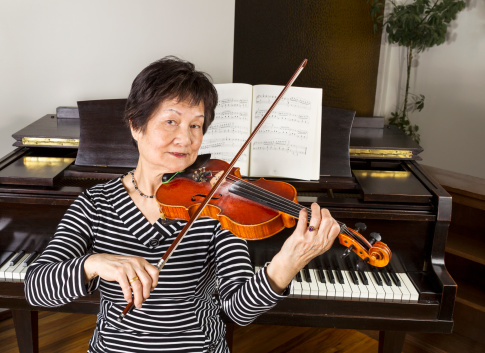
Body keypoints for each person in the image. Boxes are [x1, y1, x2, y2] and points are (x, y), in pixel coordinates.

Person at [25, 56, 340, 353]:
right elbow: (36, 287)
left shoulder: (218, 203)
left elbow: (238, 309)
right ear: (136, 125)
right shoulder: (96, 203)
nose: (186, 139)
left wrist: (286, 265)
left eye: (195, 125)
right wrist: (93, 263)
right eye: (171, 122)